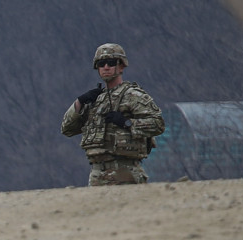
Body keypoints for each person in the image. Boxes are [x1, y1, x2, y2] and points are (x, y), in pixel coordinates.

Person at [60, 43, 165, 185]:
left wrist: (127, 123)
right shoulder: (96, 99)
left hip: (126, 172)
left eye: (111, 62)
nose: (106, 67)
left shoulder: (132, 95)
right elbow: (67, 129)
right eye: (101, 64)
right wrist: (79, 102)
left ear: (121, 66)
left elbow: (158, 124)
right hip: (97, 174)